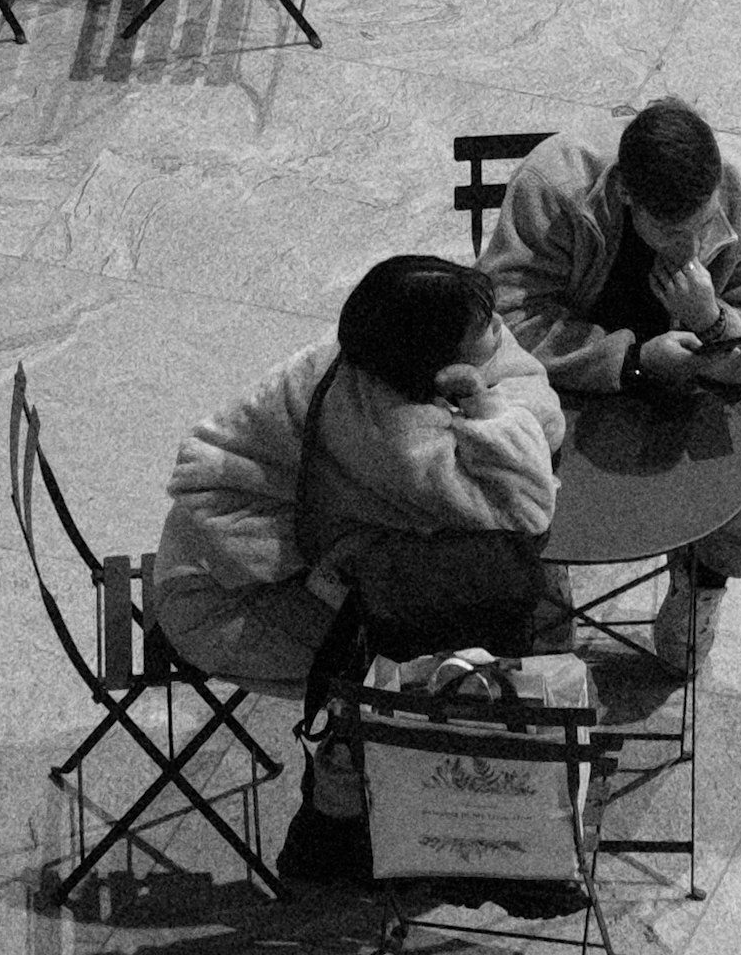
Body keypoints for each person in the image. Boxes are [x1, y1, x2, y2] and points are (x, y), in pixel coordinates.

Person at [478, 99, 741, 672]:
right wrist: (632, 360)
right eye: (670, 230)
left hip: (703, 369)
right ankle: (542, 585)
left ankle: (701, 578)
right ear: (626, 197)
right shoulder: (553, 183)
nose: (690, 246)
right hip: (571, 373)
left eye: (702, 223)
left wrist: (713, 320)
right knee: (501, 444)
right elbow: (509, 320)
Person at [150, 253, 564, 695]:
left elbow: (538, 400)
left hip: (225, 555)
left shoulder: (376, 342)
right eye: (485, 328)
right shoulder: (394, 437)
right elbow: (527, 506)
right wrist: (487, 404)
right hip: (231, 600)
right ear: (439, 365)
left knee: (489, 605)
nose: (501, 330)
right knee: (429, 670)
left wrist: (492, 401)